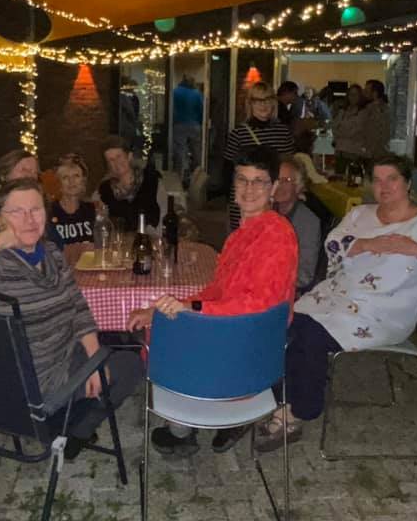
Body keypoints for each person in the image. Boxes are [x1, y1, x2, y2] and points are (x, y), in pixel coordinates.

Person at [255, 155, 417, 452]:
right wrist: (370, 244)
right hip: (334, 298)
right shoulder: (361, 215)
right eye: (378, 179)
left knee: (309, 334)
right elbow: (332, 243)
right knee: (280, 322)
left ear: (408, 183)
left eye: (392, 179)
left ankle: (295, 413)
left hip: (383, 314)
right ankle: (279, 400)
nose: (384, 186)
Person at [0, 178, 142, 456]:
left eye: (35, 210)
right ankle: (70, 431)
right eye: (17, 212)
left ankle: (73, 431)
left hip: (64, 356)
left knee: (124, 357)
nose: (29, 219)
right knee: (131, 365)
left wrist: (94, 359)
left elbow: (77, 306)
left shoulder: (52, 254)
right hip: (33, 386)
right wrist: (1, 240)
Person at [127, 146, 298, 456]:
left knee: (165, 338)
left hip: (250, 350)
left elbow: (258, 306)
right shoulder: (239, 236)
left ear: (273, 188)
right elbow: (216, 292)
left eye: (259, 181)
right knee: (162, 325)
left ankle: (184, 427)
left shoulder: (277, 234)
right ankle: (192, 422)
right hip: (235, 337)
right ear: (233, 185)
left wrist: (191, 311)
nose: (249, 189)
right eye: (242, 180)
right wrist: (162, 309)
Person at [223, 82, 295, 231]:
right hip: (248, 196)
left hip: (275, 197)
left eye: (268, 100)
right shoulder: (238, 134)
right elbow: (228, 170)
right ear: (250, 104)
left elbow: (289, 166)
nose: (264, 105)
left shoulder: (283, 132)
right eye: (258, 100)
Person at [0, 149, 64, 248]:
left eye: (34, 172)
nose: (30, 176)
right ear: (3, 175)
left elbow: (56, 245)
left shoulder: (39, 211)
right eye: (24, 169)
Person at [274, 156, 323, 292]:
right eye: (277, 179)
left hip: (289, 291)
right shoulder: (266, 212)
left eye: (287, 180)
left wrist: (271, 282)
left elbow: (305, 274)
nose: (279, 185)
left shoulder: (309, 222)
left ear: (298, 187)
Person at [98, 135, 167, 229]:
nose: (116, 163)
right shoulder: (104, 189)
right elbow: (101, 222)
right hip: (120, 241)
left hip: (150, 238)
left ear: (129, 156)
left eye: (119, 156)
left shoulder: (151, 181)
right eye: (111, 160)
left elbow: (164, 215)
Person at [50, 153, 96, 245]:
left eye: (76, 176)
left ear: (83, 180)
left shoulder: (93, 210)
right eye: (65, 177)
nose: (71, 181)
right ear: (58, 183)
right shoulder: (49, 212)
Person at [172, 74, 203, 189]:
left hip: (179, 126)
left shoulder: (175, 92)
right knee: (197, 152)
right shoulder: (196, 93)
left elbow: (171, 109)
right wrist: (200, 123)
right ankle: (198, 179)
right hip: (194, 125)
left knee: (181, 152)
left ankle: (180, 177)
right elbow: (201, 110)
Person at [331, 84, 367, 174]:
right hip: (340, 151)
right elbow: (334, 128)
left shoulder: (363, 112)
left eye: (355, 95)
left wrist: (341, 130)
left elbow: (354, 131)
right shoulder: (342, 111)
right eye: (350, 94)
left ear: (360, 96)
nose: (352, 97)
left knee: (353, 180)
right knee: (338, 180)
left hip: (354, 152)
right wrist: (343, 130)